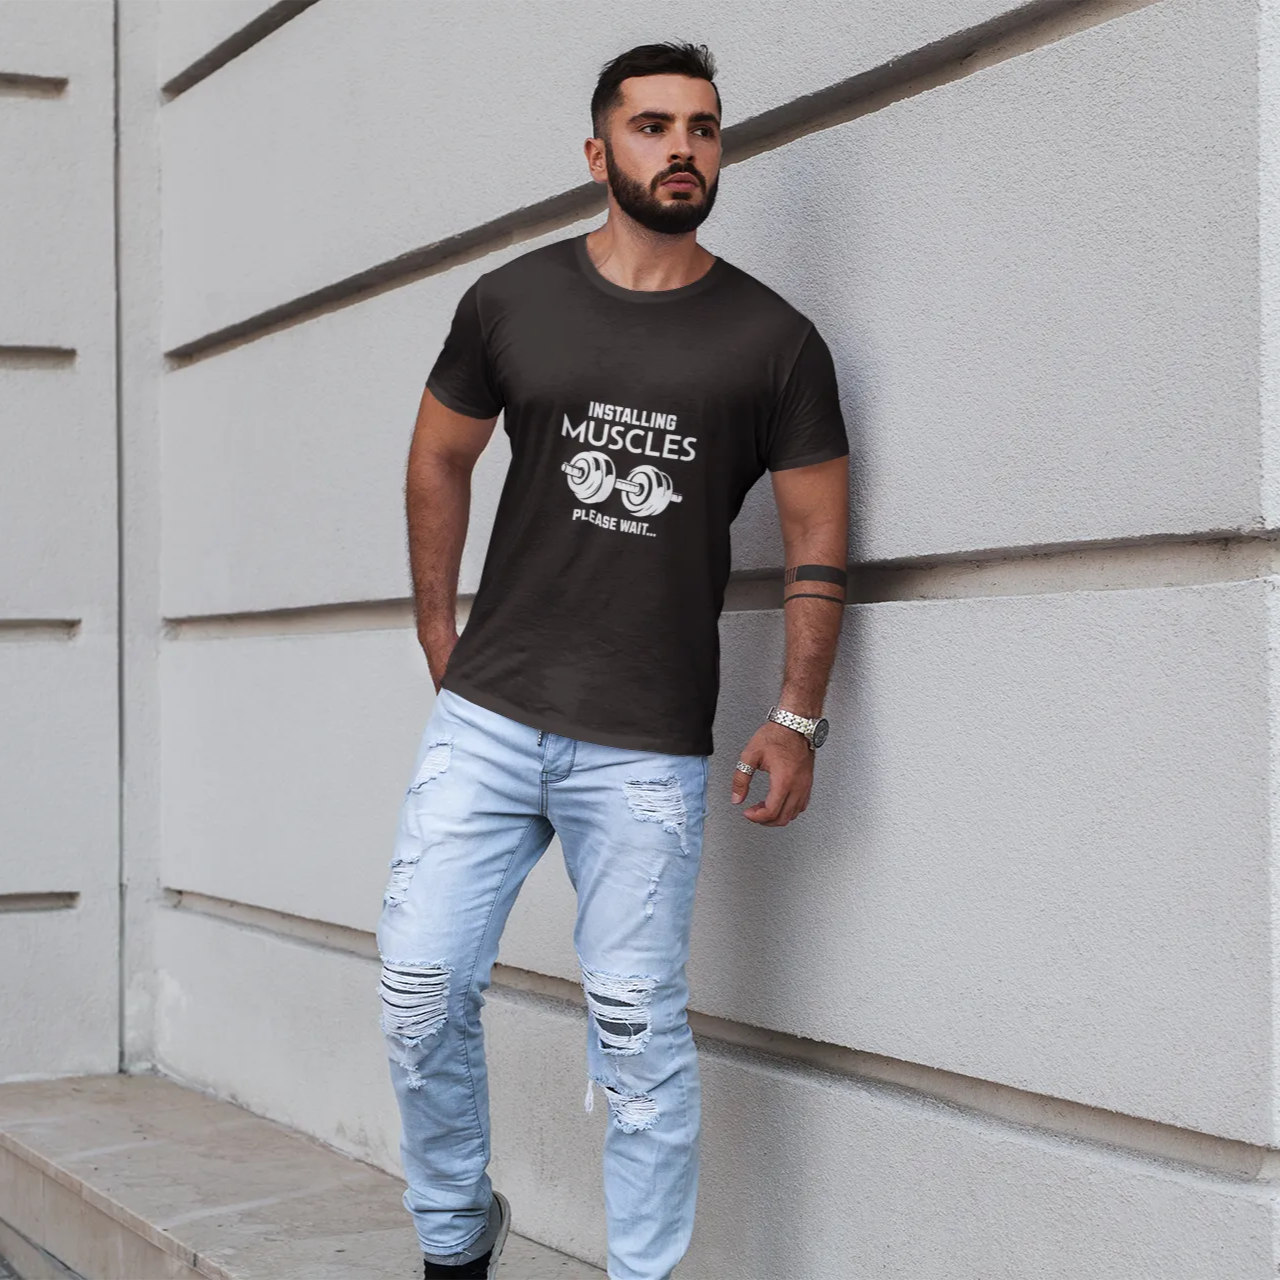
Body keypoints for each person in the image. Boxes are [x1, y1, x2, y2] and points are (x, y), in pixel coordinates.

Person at [375, 38, 850, 1280]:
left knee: (636, 1034)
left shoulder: (774, 340)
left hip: (641, 740)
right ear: (600, 153)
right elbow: (438, 457)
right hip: (489, 715)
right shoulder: (510, 300)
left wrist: (795, 715)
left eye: (700, 126)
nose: (680, 146)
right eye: (650, 126)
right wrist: (439, 622)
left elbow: (816, 541)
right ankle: (452, 1239)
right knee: (419, 991)